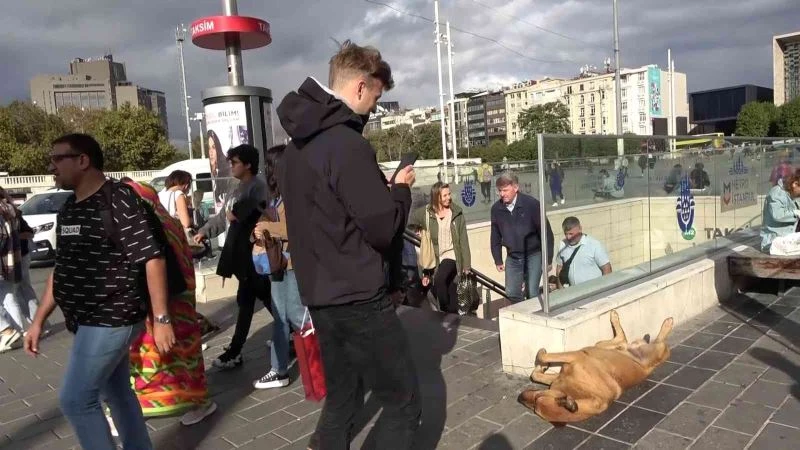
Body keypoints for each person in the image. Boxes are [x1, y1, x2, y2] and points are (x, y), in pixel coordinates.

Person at [277, 40, 421, 449]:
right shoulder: (347, 144)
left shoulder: (293, 149)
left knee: (342, 397)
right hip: (359, 297)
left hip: (319, 295)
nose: (374, 108)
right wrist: (400, 191)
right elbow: (382, 230)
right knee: (402, 404)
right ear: (360, 87)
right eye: (375, 97)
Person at [24, 133, 170, 450]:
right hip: (86, 320)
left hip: (113, 316)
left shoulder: (117, 198)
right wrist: (38, 321)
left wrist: (161, 319)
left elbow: (152, 258)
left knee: (76, 399)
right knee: (115, 391)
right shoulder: (69, 209)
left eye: (57, 158)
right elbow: (60, 271)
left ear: (82, 160)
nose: (51, 166)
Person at [122, 179, 218, 426]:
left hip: (164, 299)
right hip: (182, 296)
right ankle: (200, 401)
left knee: (154, 353)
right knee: (188, 350)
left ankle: (135, 406)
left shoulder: (147, 225)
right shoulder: (168, 221)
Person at [193, 144, 270, 370]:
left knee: (248, 302)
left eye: (235, 162)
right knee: (261, 299)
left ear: (247, 164)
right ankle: (293, 334)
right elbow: (222, 218)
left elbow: (257, 215)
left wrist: (238, 214)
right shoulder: (234, 189)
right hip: (240, 256)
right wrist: (204, 231)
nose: (231, 166)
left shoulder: (257, 188)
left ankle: (235, 351)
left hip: (252, 255)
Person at [251, 145, 307, 390]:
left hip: (292, 263)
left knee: (297, 316)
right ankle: (278, 369)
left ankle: (329, 357)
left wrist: (266, 229)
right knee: (281, 318)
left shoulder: (295, 194)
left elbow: (296, 228)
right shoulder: (278, 196)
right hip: (279, 263)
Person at [490, 172, 554, 303]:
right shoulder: (496, 209)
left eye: (505, 190)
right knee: (512, 293)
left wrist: (548, 258)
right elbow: (495, 235)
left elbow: (546, 232)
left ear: (516, 188)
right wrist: (497, 259)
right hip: (513, 257)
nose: (502, 194)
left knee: (531, 291)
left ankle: (534, 318)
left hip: (533, 255)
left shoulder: (532, 205)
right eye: (500, 191)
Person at [409, 182, 471, 314]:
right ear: (437, 197)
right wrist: (418, 228)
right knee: (449, 290)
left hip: (452, 255)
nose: (449, 197)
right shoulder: (427, 212)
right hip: (436, 257)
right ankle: (452, 315)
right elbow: (411, 219)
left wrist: (466, 265)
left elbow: (463, 240)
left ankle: (444, 310)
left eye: (449, 194)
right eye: (445, 195)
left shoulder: (457, 213)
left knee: (439, 280)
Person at [555, 217, 612, 288]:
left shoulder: (594, 244)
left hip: (594, 291)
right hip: (572, 292)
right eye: (566, 234)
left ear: (580, 229)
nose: (568, 237)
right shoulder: (562, 246)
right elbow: (559, 268)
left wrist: (604, 289)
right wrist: (561, 291)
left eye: (571, 234)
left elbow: (607, 268)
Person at [761, 169, 800, 253]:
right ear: (795, 184)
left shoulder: (794, 193)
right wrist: (795, 213)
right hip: (773, 242)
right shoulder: (776, 193)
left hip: (788, 237)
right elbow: (777, 215)